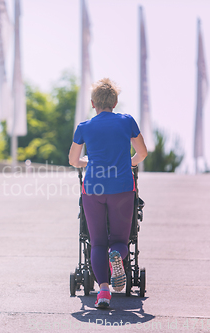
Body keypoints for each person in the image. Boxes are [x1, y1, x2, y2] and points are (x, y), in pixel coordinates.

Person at [68, 78, 148, 309]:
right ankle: (117, 254)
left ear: (93, 103)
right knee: (121, 240)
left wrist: (88, 163)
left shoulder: (84, 127)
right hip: (122, 187)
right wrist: (128, 162)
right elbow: (141, 153)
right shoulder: (127, 122)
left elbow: (73, 160)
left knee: (97, 242)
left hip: (93, 189)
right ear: (115, 102)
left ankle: (103, 292)